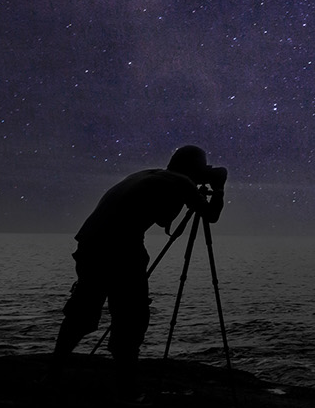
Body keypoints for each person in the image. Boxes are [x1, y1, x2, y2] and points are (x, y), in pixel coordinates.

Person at [52, 145, 227, 393]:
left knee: (82, 313)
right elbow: (210, 215)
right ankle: (126, 390)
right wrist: (219, 187)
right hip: (121, 249)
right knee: (131, 320)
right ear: (193, 169)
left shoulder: (146, 174)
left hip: (89, 244)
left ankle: (53, 375)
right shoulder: (180, 181)